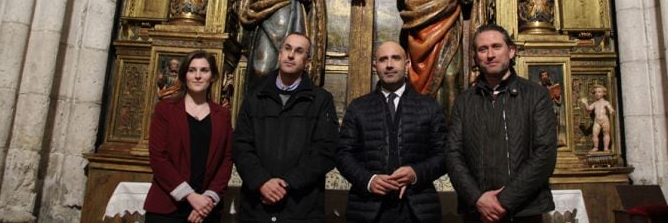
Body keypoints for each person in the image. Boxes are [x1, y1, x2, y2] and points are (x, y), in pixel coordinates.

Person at [446, 24, 557, 223]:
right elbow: (453, 155)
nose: (490, 54)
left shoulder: (536, 95)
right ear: (476, 57)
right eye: (483, 49)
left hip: (524, 211)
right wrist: (478, 199)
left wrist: (503, 202)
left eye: (496, 47)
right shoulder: (464, 101)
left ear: (511, 51)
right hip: (477, 213)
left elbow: (544, 154)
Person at [233, 32, 339, 223]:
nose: (291, 55)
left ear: (307, 60)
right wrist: (261, 182)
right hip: (257, 207)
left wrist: (287, 183)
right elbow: (241, 146)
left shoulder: (321, 100)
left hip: (301, 208)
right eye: (287, 49)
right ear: (279, 53)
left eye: (299, 51)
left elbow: (325, 150)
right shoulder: (254, 98)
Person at [337, 41, 447, 223]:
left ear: (407, 64)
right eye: (382, 59)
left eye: (395, 58)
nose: (389, 65)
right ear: (375, 66)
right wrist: (369, 180)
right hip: (368, 208)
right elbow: (342, 154)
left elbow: (444, 155)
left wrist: (416, 173)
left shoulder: (429, 106)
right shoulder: (358, 107)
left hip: (417, 209)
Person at [395, 0, 487, 119]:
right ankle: (423, 121)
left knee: (450, 76)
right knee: (422, 77)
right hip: (424, 33)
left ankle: (450, 124)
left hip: (449, 34)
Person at [144, 51, 233, 223]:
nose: (198, 76)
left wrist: (208, 198)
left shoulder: (222, 115)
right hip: (167, 208)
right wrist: (191, 196)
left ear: (213, 76)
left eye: (204, 70)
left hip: (205, 210)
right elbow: (158, 158)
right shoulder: (165, 110)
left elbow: (226, 159)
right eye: (192, 70)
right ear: (184, 75)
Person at [581, 84, 615, 152]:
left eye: (599, 92)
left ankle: (606, 148)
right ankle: (596, 147)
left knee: (606, 133)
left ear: (603, 93)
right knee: (594, 134)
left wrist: (611, 111)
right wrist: (585, 103)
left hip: (604, 120)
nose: (597, 93)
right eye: (596, 92)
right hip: (597, 121)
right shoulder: (595, 103)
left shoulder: (606, 102)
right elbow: (589, 109)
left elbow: (610, 108)